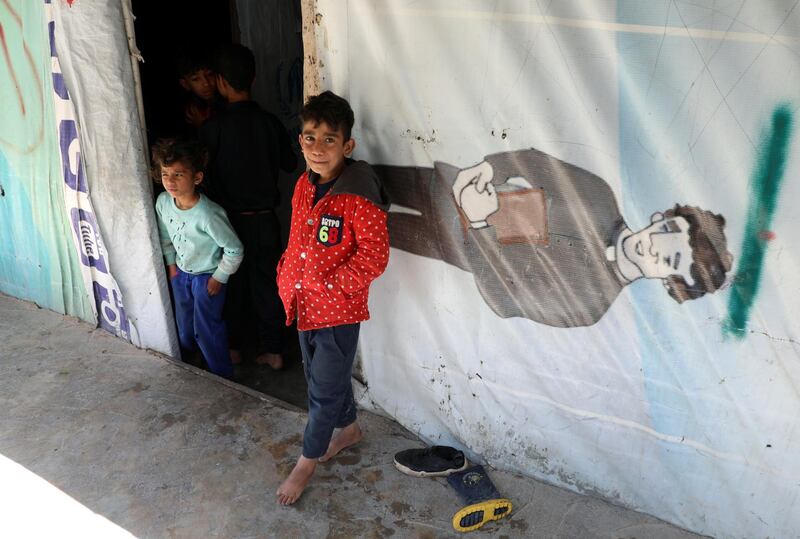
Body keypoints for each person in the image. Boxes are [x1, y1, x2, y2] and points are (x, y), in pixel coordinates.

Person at [376, 148, 733, 327]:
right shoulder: (600, 196)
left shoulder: (591, 304)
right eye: (667, 231)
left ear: (669, 283)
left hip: (449, 244)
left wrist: (479, 223)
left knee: (360, 227)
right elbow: (534, 162)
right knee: (350, 182)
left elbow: (505, 300)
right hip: (442, 186)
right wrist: (489, 167)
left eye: (668, 260)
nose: (652, 244)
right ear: (661, 218)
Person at [275, 91, 390, 505]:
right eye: (309, 137)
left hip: (337, 312)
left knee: (322, 389)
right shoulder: (303, 186)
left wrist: (331, 286)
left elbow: (374, 258)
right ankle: (350, 429)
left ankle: (306, 462)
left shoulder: (359, 195)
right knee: (321, 377)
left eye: (328, 139)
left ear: (348, 146)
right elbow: (296, 237)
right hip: (303, 303)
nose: (317, 148)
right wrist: (286, 272)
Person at [199, 44, 297, 368]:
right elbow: (289, 161)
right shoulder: (269, 123)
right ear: (253, 79)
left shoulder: (213, 128)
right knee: (268, 285)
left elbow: (203, 175)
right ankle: (274, 351)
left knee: (234, 287)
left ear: (220, 83)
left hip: (228, 224)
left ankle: (235, 348)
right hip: (266, 221)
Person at [153, 138, 244, 379]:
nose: (170, 181)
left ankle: (222, 377)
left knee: (207, 330)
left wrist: (219, 277)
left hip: (207, 279)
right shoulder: (163, 202)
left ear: (197, 178)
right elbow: (164, 236)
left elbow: (235, 249)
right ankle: (195, 367)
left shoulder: (209, 214)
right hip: (181, 275)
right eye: (165, 174)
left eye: (178, 174)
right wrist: (172, 265)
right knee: (184, 329)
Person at [176, 50, 221, 130]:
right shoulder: (191, 111)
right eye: (196, 79)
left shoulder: (227, 103)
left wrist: (203, 125)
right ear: (185, 84)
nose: (206, 83)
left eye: (209, 74)